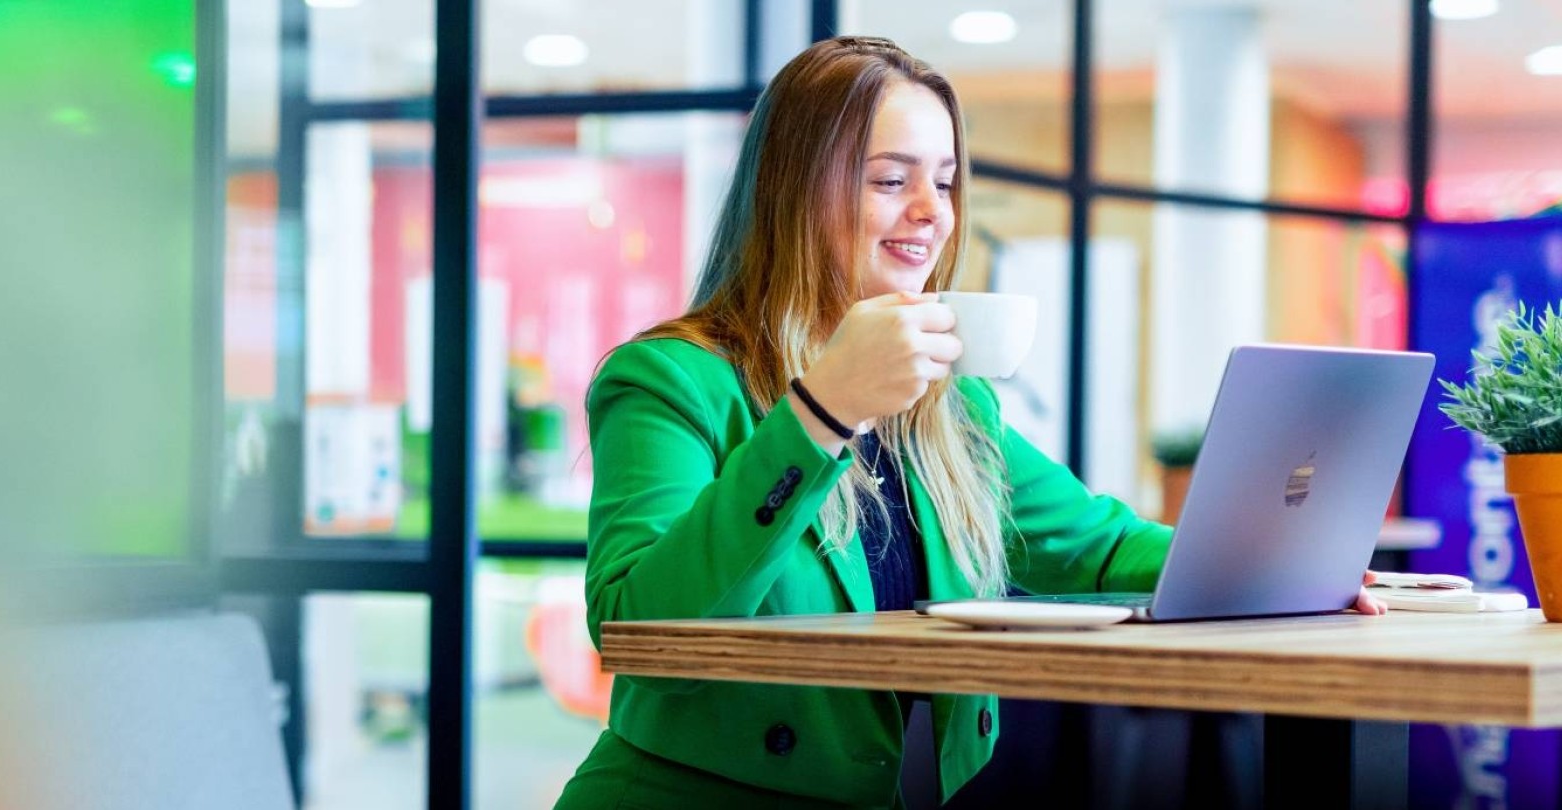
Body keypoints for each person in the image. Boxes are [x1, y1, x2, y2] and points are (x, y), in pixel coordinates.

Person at [552, 36, 1386, 809]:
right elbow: (636, 627)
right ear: (793, 193)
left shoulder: (949, 405)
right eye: (890, 180)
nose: (932, 211)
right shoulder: (672, 380)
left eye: (944, 181)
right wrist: (824, 409)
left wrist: (1271, 564)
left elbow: (1092, 545)